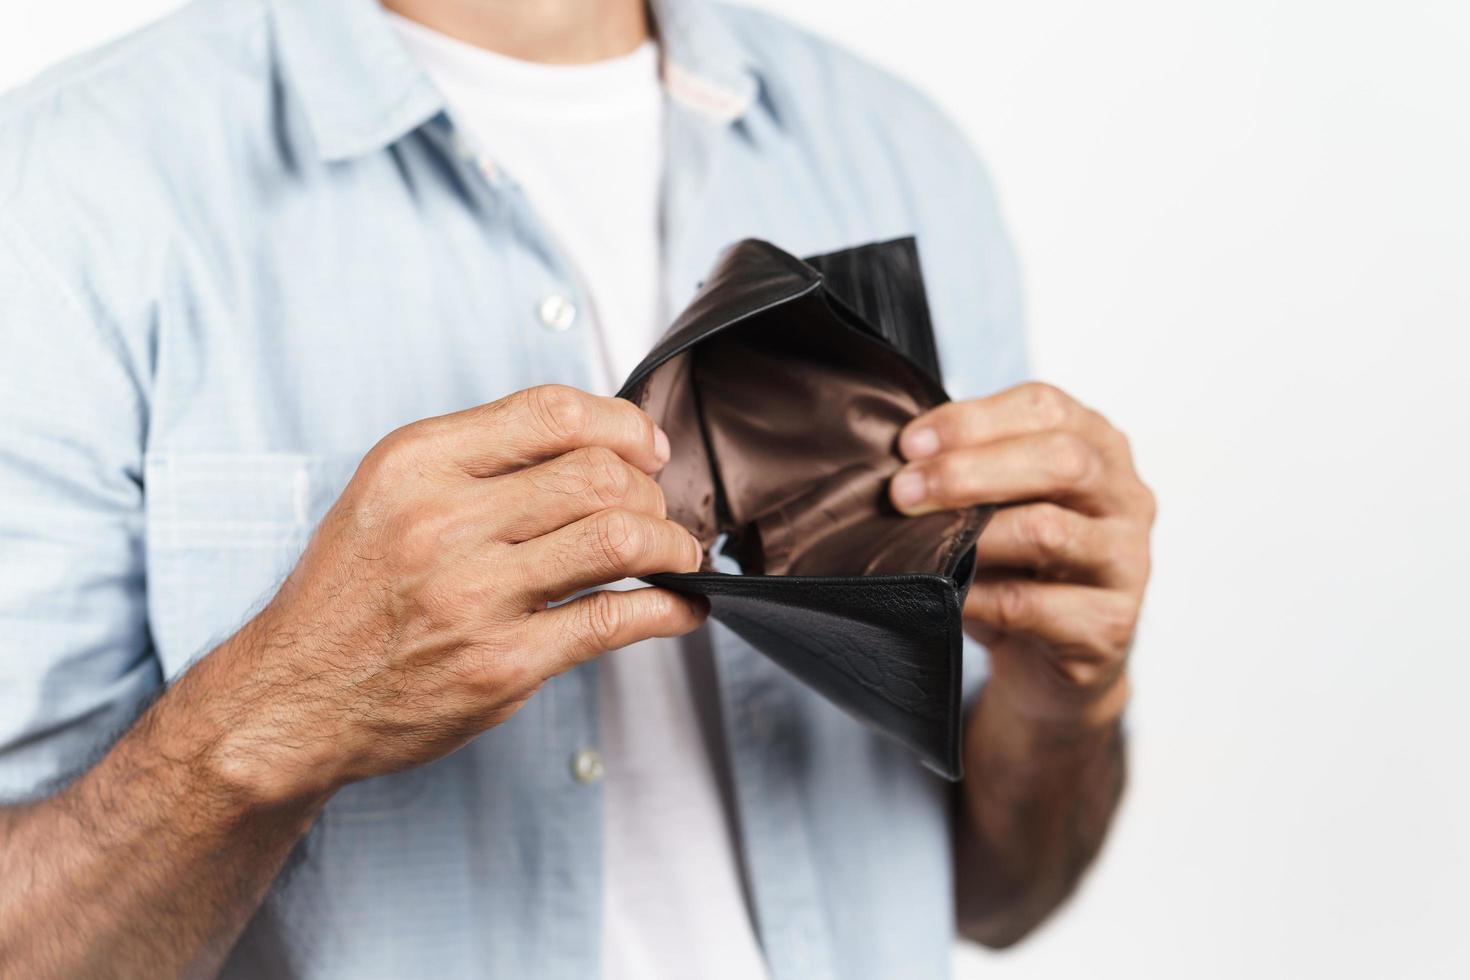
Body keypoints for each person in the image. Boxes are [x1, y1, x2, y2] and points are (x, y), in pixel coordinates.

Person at [0, 0, 1155, 976]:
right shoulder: (74, 192)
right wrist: (271, 715)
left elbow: (999, 898)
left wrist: (1063, 706)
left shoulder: (905, 158)